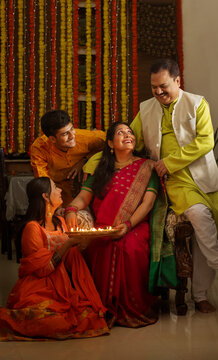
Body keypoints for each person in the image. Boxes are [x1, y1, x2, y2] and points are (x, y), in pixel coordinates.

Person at [130, 58, 218, 313]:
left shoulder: (197, 104)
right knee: (199, 214)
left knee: (205, 228)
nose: (158, 92)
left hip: (201, 179)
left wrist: (170, 161)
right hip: (171, 182)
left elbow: (205, 143)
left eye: (164, 86)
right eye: (154, 87)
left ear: (178, 81)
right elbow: (131, 140)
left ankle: (200, 295)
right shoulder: (146, 108)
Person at [65, 122, 177, 327]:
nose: (127, 135)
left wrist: (127, 225)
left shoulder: (147, 167)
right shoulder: (101, 170)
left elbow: (148, 202)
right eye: (120, 132)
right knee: (100, 245)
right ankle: (101, 305)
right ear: (110, 143)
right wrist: (71, 209)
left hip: (136, 226)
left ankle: (133, 305)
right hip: (104, 226)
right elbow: (83, 198)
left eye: (130, 132)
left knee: (129, 247)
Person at [0, 177, 109, 341]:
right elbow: (44, 269)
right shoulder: (32, 228)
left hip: (63, 286)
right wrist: (68, 243)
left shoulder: (61, 223)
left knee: (90, 316)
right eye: (55, 187)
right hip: (39, 287)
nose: (59, 190)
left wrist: (83, 242)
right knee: (53, 321)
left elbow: (73, 256)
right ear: (45, 196)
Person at [30, 110, 106, 206]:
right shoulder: (40, 148)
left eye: (72, 129)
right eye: (65, 134)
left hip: (85, 188)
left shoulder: (86, 138)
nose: (72, 136)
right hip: (56, 190)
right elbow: (44, 182)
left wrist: (85, 160)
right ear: (52, 139)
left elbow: (110, 142)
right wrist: (55, 207)